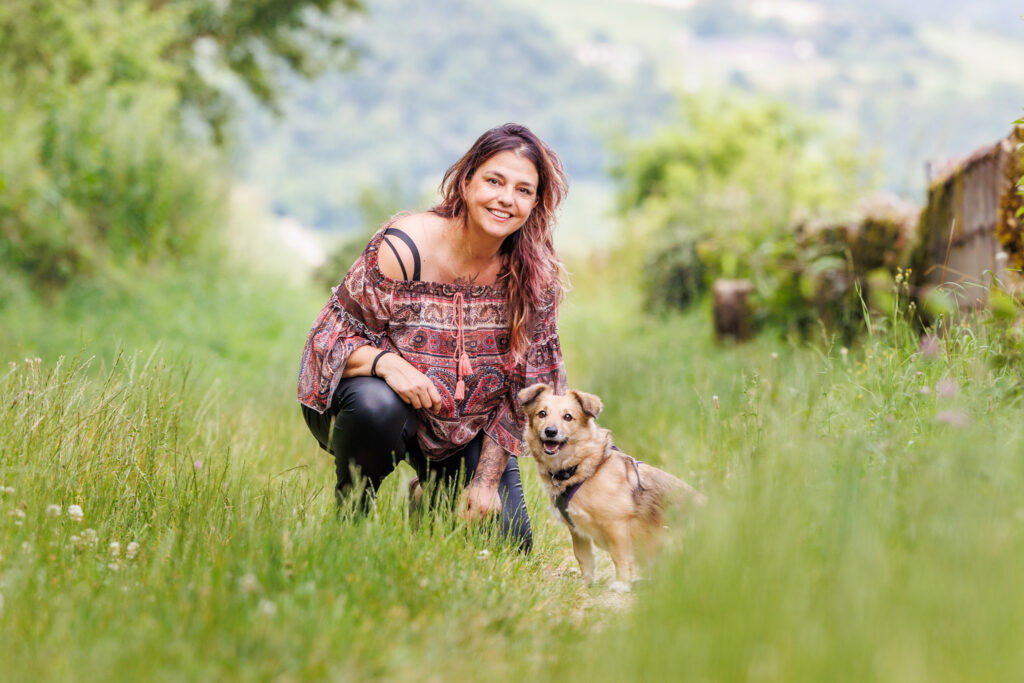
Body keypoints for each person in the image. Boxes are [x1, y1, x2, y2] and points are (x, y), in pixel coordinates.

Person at [297, 123, 568, 551]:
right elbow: (325, 344)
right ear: (466, 181)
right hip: (377, 409)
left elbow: (530, 392)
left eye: (522, 190)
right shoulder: (404, 248)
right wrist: (386, 364)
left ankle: (428, 498)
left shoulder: (535, 279)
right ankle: (350, 518)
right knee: (375, 408)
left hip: (466, 429)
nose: (505, 199)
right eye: (494, 181)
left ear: (535, 203)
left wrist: (485, 482)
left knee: (509, 547)